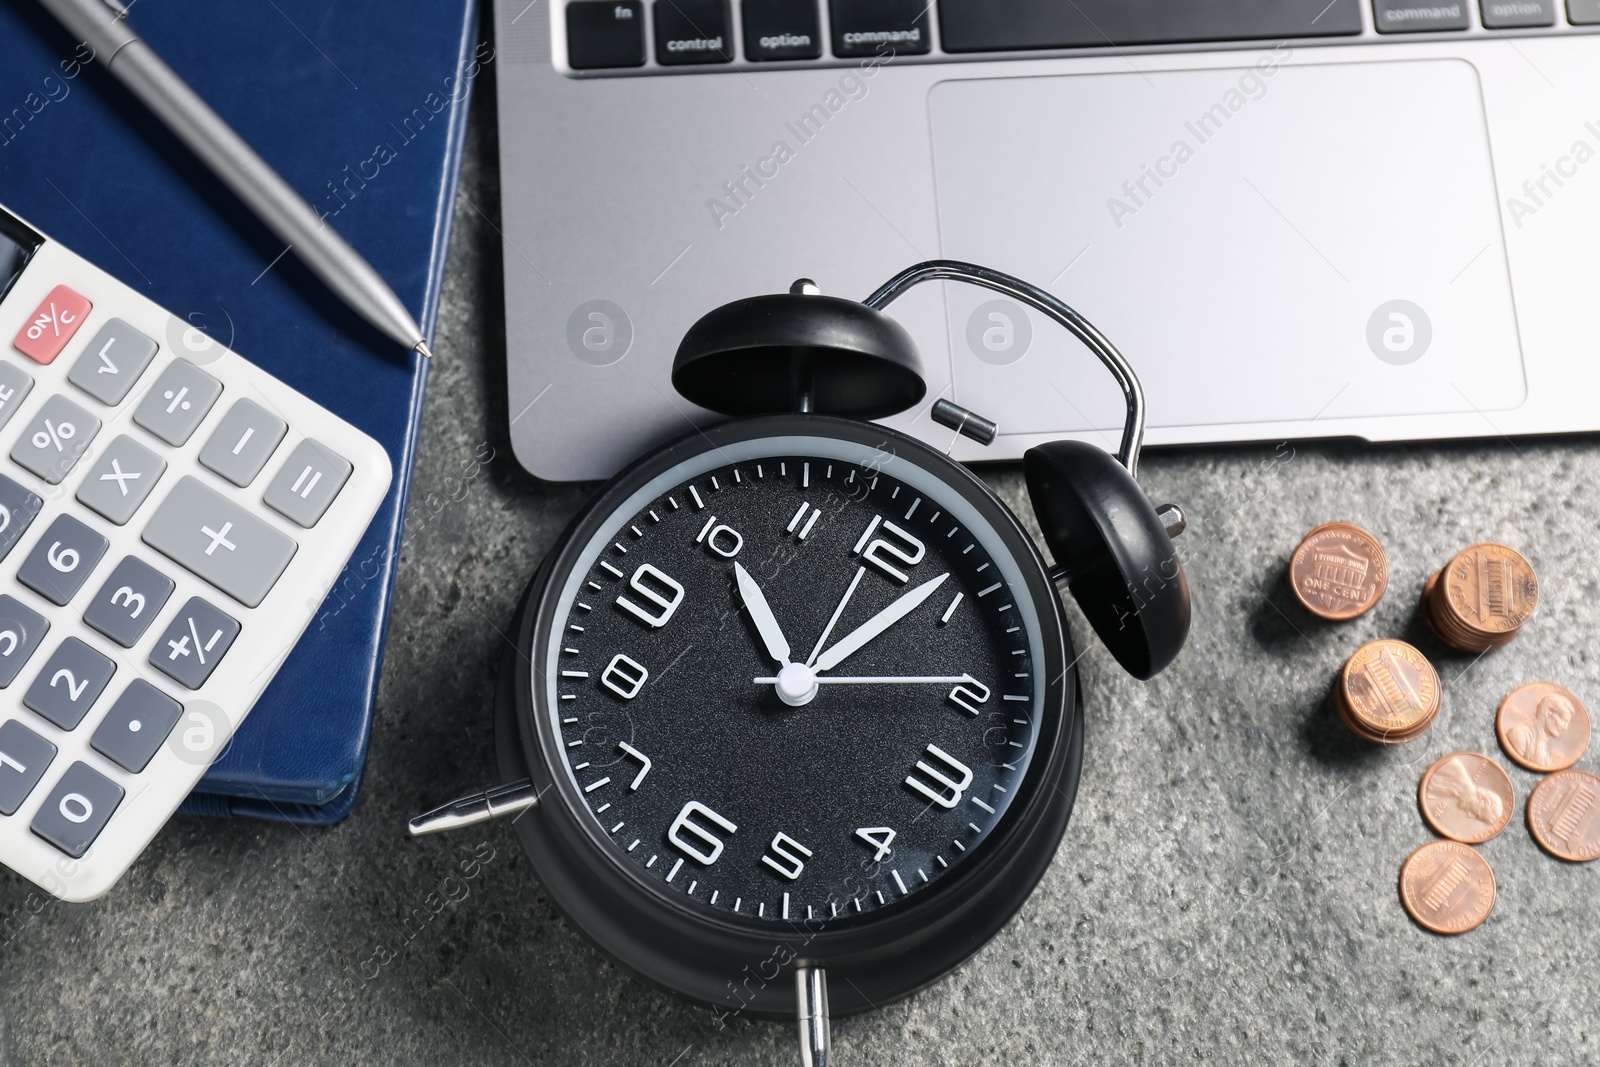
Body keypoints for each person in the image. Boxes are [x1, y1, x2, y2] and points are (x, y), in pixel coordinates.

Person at [1507, 691, 1576, 767]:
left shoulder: (1544, 743)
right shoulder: (1519, 734)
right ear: (1548, 712)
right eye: (1564, 721)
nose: (1565, 727)